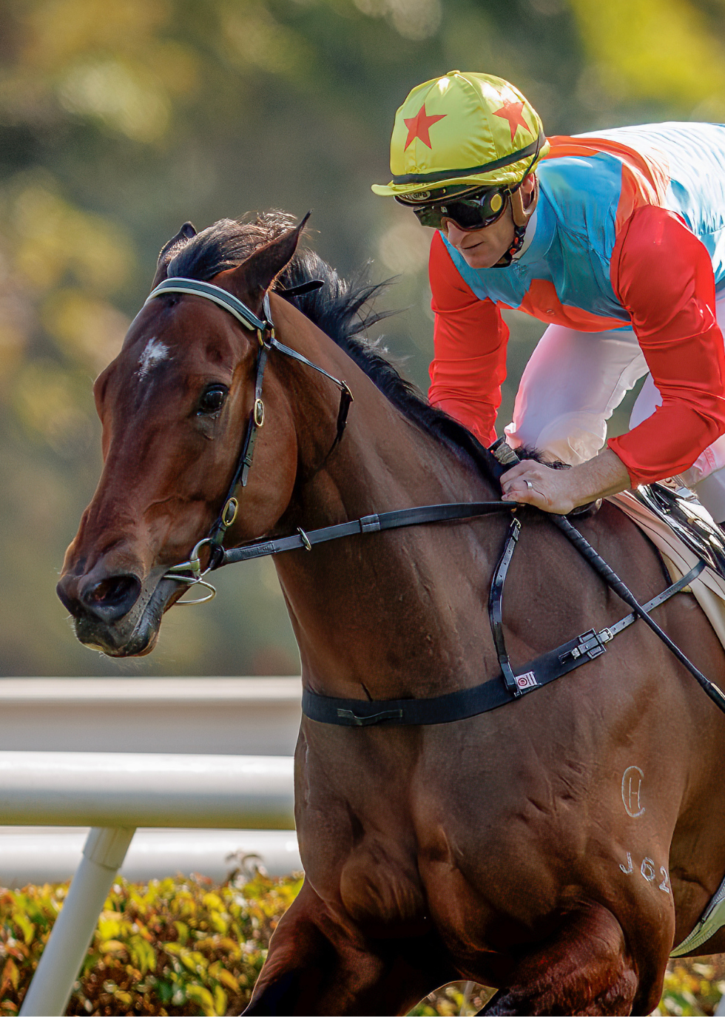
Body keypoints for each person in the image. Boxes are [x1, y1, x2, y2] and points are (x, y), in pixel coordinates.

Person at [371, 71, 725, 522]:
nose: (455, 235)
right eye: (432, 211)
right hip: (625, 288)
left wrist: (578, 484)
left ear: (524, 189)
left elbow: (698, 407)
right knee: (541, 449)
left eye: (468, 207)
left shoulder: (643, 241)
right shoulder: (454, 252)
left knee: (688, 447)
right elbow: (462, 396)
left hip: (695, 266)